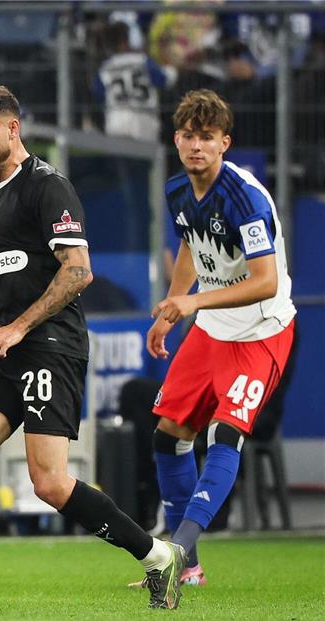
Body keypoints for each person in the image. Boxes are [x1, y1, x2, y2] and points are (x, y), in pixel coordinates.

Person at [0, 85, 186, 613]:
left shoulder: (48, 186)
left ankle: (157, 556)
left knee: (49, 482)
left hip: (52, 344)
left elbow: (79, 270)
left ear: (14, 127)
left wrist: (20, 327)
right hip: (4, 344)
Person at [141, 89, 295, 588]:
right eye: (188, 136)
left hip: (260, 331)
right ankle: (189, 569)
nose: (196, 146)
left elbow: (265, 281)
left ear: (224, 142)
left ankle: (177, 547)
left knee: (224, 433)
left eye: (206, 137)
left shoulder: (244, 197)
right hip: (210, 327)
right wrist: (171, 305)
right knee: (168, 437)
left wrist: (192, 304)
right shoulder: (177, 190)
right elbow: (191, 241)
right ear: (176, 139)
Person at [93, 21, 173, 143]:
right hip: (145, 121)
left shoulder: (104, 69)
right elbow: (164, 80)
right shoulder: (142, 60)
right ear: (126, 41)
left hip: (117, 122)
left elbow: (99, 96)